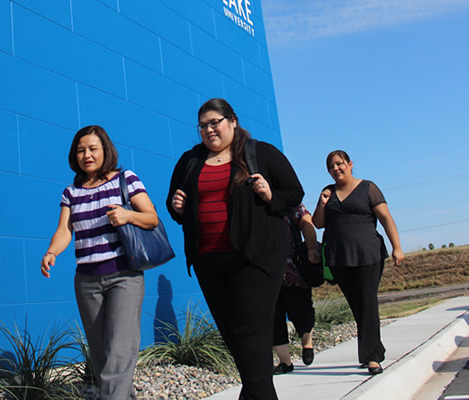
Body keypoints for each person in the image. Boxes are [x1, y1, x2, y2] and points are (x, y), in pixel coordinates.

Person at [166, 98, 304, 399]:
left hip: (255, 259)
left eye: (215, 122)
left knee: (250, 334)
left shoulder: (260, 153)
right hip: (209, 261)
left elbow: (294, 193)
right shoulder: (190, 161)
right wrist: (176, 206)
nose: (209, 129)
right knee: (234, 337)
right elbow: (175, 204)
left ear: (233, 121)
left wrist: (269, 194)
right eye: (203, 125)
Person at [41, 125, 158, 399]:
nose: (87, 155)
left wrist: (128, 216)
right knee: (103, 355)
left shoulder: (125, 179)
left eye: (93, 148)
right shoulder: (71, 192)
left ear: (105, 150)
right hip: (86, 281)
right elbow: (64, 231)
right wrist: (51, 252)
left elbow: (151, 217)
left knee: (119, 350)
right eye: (81, 150)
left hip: (124, 276)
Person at [312, 150, 405, 376]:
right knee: (357, 305)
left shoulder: (368, 188)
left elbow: (385, 218)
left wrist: (397, 247)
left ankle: (370, 357)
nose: (336, 169)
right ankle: (376, 348)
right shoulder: (328, 192)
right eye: (331, 167)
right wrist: (322, 203)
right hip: (339, 257)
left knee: (367, 301)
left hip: (368, 254)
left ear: (350, 164)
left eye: (339, 164)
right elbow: (318, 223)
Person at [272, 203, 319, 375]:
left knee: (303, 311)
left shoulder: (289, 202)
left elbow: (306, 220)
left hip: (294, 269)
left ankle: (307, 342)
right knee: (273, 317)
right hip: (267, 273)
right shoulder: (252, 204)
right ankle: (285, 362)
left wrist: (312, 248)